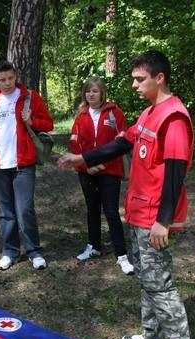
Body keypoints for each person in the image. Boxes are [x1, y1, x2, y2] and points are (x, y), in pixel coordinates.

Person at [58, 51, 194, 339]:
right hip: (138, 211)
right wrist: (82, 159)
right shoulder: (149, 113)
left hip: (154, 217)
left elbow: (175, 174)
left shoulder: (173, 118)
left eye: (139, 79)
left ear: (159, 78)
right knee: (147, 279)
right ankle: (152, 335)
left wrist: (164, 221)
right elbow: (121, 144)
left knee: (159, 283)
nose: (134, 85)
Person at [0, 61, 54, 271]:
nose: (7, 83)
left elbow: (48, 123)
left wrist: (32, 121)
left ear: (15, 76)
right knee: (6, 212)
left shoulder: (29, 97)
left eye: (10, 78)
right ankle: (9, 252)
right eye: (2, 80)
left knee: (25, 209)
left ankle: (34, 252)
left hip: (23, 164)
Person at [69, 76, 134, 275]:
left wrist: (102, 163)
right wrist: (86, 165)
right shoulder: (81, 116)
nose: (91, 94)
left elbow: (121, 143)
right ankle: (94, 246)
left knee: (112, 212)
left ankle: (121, 255)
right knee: (92, 209)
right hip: (86, 171)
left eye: (95, 91)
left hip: (110, 170)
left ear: (102, 93)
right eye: (88, 91)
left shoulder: (115, 113)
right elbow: (75, 143)